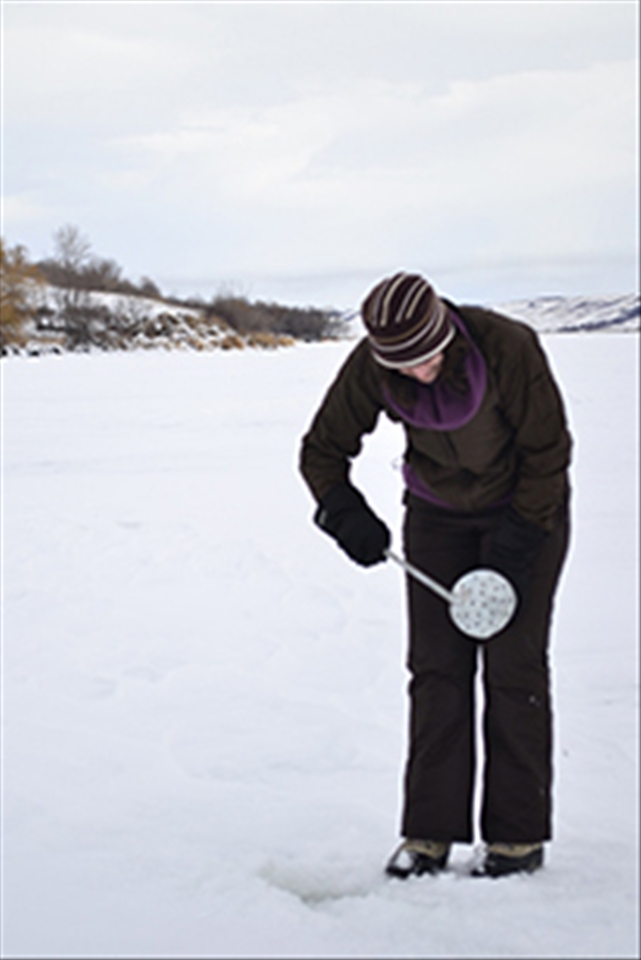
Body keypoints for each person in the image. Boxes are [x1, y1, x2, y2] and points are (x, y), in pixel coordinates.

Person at [299, 272, 572, 878]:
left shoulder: (508, 347)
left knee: (513, 664)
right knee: (437, 669)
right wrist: (345, 513)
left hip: (529, 509)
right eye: (403, 366)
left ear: (444, 331)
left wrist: (514, 549)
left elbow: (549, 453)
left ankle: (516, 839)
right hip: (438, 518)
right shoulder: (372, 364)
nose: (418, 372)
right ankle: (429, 833)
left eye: (426, 358)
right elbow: (322, 448)